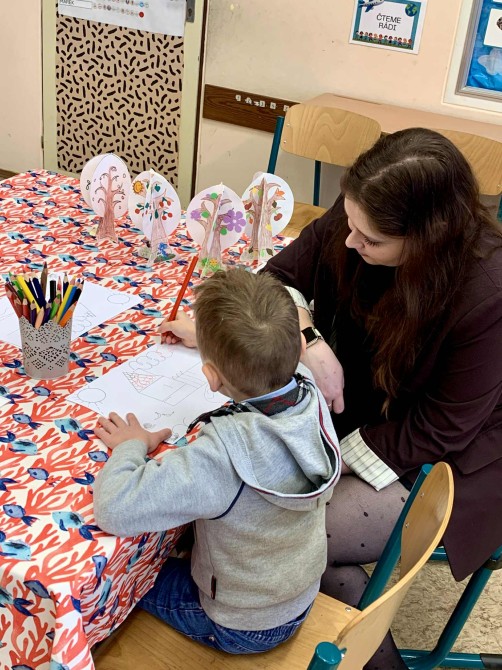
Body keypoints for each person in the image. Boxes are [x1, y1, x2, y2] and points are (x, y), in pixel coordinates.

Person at [263, 127, 502, 669]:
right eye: (350, 224)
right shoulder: (363, 212)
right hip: (378, 405)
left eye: (370, 241)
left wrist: (326, 460)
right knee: (290, 535)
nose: (350, 242)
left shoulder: (487, 294)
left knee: (285, 532)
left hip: (458, 454)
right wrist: (309, 340)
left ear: (427, 241)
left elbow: (440, 429)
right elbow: (276, 278)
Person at [93, 268, 341, 654]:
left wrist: (132, 446)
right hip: (295, 589)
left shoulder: (219, 456)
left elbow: (114, 509)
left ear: (211, 377)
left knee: (111, 584)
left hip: (241, 623)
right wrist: (210, 338)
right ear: (297, 351)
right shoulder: (308, 385)